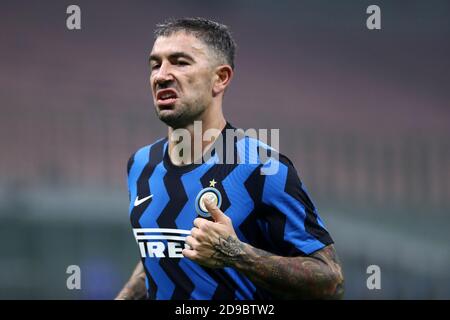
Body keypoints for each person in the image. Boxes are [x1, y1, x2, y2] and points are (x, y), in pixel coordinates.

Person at [115, 17, 344, 300]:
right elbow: (161, 252)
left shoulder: (261, 167)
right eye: (155, 64)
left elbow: (331, 282)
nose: (161, 75)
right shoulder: (140, 165)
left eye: (180, 62)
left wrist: (238, 254)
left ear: (220, 78)